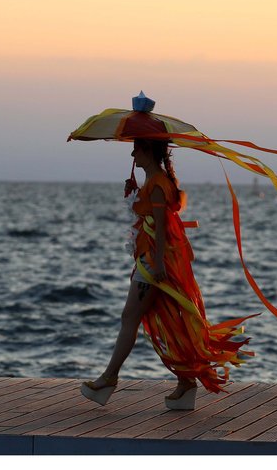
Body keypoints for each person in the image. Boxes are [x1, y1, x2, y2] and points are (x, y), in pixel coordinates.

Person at [80, 138, 254, 410]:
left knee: (130, 316)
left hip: (152, 262)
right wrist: (135, 193)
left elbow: (160, 227)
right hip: (150, 258)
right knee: (165, 320)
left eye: (137, 148)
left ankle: (109, 378)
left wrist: (159, 263)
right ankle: (185, 384)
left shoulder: (159, 184)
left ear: (148, 150)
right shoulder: (154, 183)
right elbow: (149, 216)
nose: (133, 153)